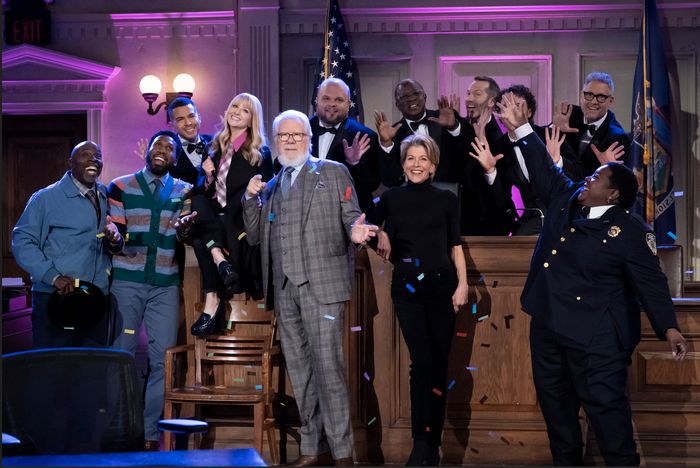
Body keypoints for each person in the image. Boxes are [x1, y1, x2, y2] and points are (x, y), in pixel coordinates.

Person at [488, 95, 687, 466]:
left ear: (612, 194)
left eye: (596, 177)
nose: (588, 179)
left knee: (609, 419)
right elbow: (543, 167)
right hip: (548, 325)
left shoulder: (630, 231)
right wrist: (519, 128)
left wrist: (669, 328)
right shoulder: (567, 197)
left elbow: (651, 282)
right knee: (558, 415)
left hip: (596, 336)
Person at [242, 110, 377, 466]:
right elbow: (254, 236)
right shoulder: (270, 187)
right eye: (282, 135)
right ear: (273, 142)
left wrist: (356, 233)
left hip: (323, 286)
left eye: (296, 135)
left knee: (328, 368)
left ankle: (343, 454)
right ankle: (312, 449)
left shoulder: (333, 172)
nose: (289, 140)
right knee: (300, 372)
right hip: (284, 290)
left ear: (309, 139)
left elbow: (351, 216)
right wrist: (249, 198)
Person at [369, 135, 468, 466]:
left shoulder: (447, 199)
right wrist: (380, 232)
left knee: (439, 368)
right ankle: (419, 441)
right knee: (422, 363)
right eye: (410, 158)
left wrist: (463, 284)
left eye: (422, 158)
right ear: (402, 163)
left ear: (433, 164)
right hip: (407, 288)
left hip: (443, 286)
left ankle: (432, 447)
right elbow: (362, 225)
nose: (416, 163)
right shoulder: (392, 197)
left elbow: (455, 245)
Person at [108, 130, 197, 451]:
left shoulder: (185, 190)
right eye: (158, 144)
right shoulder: (120, 186)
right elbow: (115, 232)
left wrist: (186, 230)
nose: (162, 150)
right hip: (126, 283)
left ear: (175, 158)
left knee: (164, 360)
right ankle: (121, 427)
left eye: (170, 148)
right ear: (147, 149)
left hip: (165, 286)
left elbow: (186, 232)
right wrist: (116, 239)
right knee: (122, 355)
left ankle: (148, 433)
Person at [12, 140, 122, 349]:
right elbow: (22, 241)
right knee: (52, 369)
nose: (93, 159)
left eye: (97, 155)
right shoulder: (46, 198)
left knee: (90, 369)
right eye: (85, 154)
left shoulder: (105, 195)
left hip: (95, 298)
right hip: (56, 297)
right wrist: (52, 277)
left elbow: (110, 241)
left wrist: (115, 240)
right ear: (71, 163)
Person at [189, 93, 274, 336]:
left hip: (239, 218)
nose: (236, 111)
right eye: (234, 105)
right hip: (215, 215)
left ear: (251, 120)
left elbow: (266, 194)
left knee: (199, 240)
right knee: (196, 201)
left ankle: (211, 303)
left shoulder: (260, 152)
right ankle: (220, 259)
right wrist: (207, 176)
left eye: (244, 110)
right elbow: (205, 193)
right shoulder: (214, 147)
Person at [472, 85, 577, 235]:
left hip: (565, 213)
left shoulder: (550, 135)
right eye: (504, 106)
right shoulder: (500, 148)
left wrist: (558, 161)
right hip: (532, 218)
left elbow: (582, 173)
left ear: (528, 112)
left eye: (515, 106)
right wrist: (490, 171)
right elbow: (502, 201)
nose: (509, 111)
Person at [310, 77, 380, 216]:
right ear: (316, 100)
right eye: (326, 98)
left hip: (348, 218)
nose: (332, 104)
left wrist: (355, 162)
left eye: (339, 100)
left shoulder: (364, 136)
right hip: (310, 216)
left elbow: (372, 185)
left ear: (349, 104)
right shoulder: (300, 131)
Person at [552, 72, 630, 181]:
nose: (593, 102)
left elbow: (619, 185)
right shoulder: (569, 115)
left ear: (610, 101)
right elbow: (540, 143)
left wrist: (607, 168)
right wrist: (555, 129)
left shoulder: (618, 138)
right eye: (589, 95)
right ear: (581, 96)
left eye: (601, 97)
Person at [168, 97, 214, 185]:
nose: (188, 123)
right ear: (173, 125)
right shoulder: (170, 152)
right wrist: (150, 166)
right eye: (180, 119)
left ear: (199, 118)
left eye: (191, 116)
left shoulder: (216, 141)